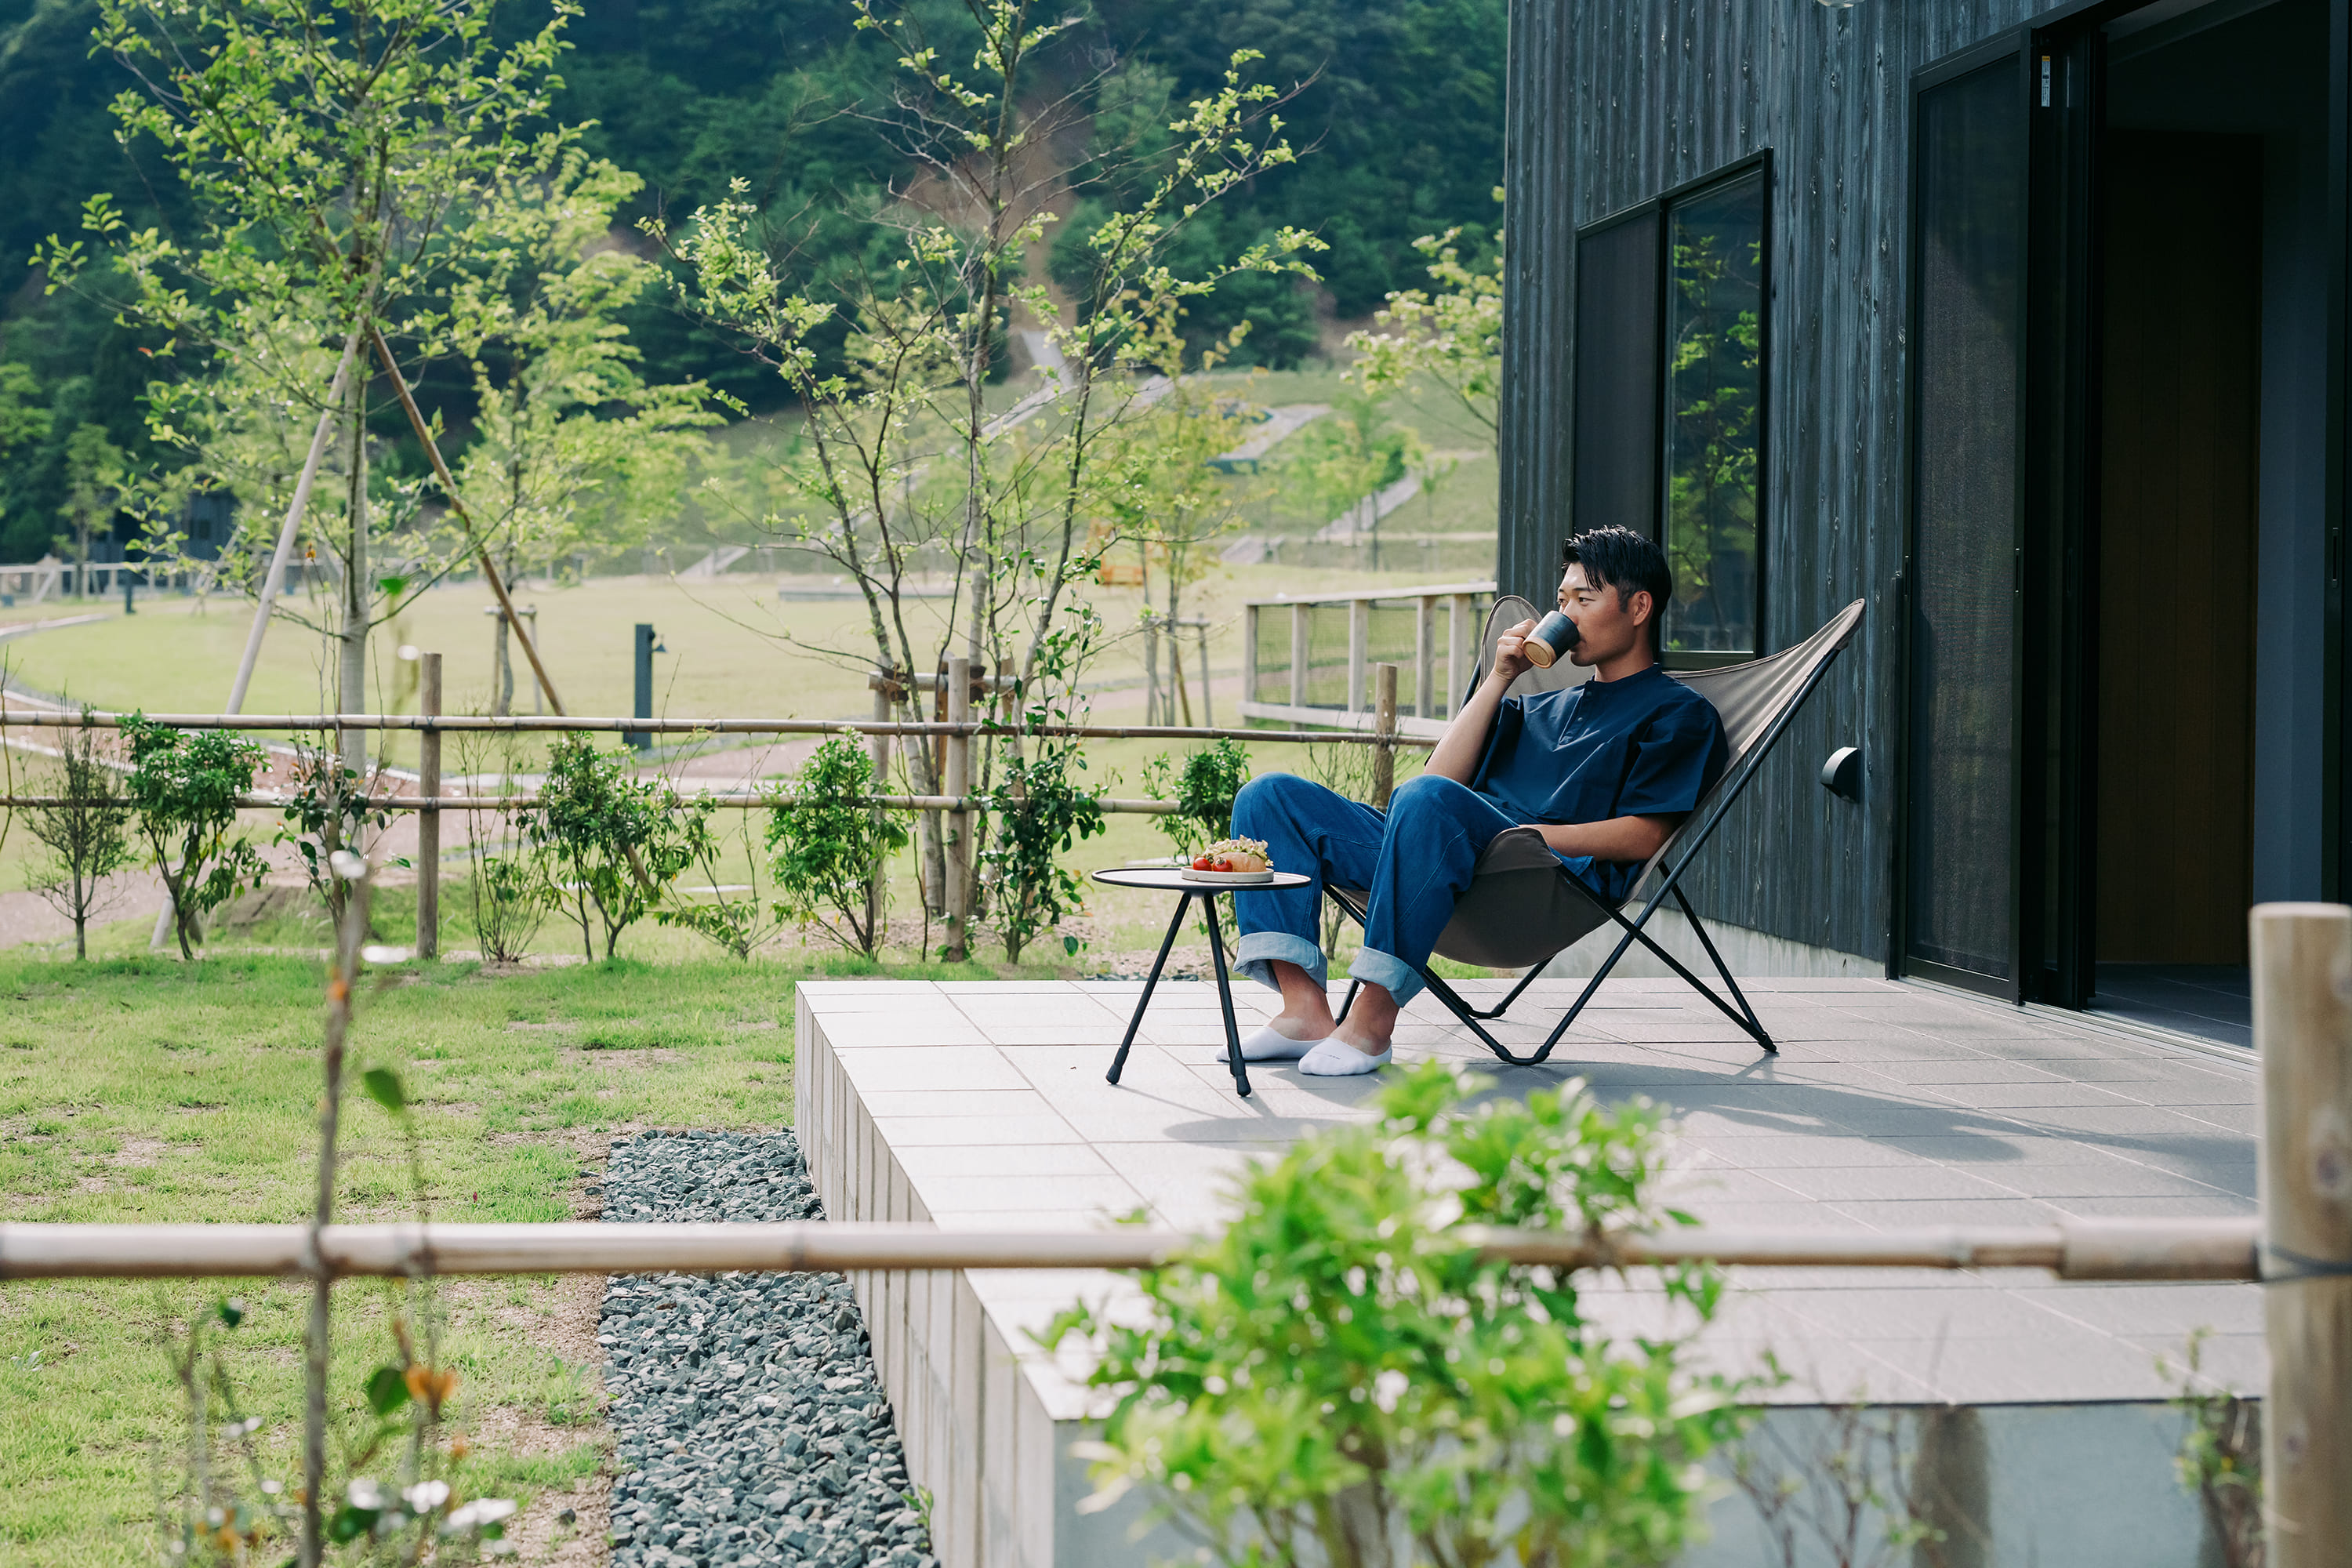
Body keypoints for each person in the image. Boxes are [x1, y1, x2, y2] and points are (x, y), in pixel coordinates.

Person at [1227, 526, 1730, 1075]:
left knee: (1432, 802)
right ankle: (1303, 1011)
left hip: (1534, 879)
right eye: (1561, 602)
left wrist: (1519, 839)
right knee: (1270, 797)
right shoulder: (1542, 706)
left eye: (1584, 600)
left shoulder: (1677, 714)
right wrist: (1499, 679)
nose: (1567, 615)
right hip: (1441, 855)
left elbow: (1645, 836)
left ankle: (1371, 1025)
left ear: (1638, 607)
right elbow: (1429, 785)